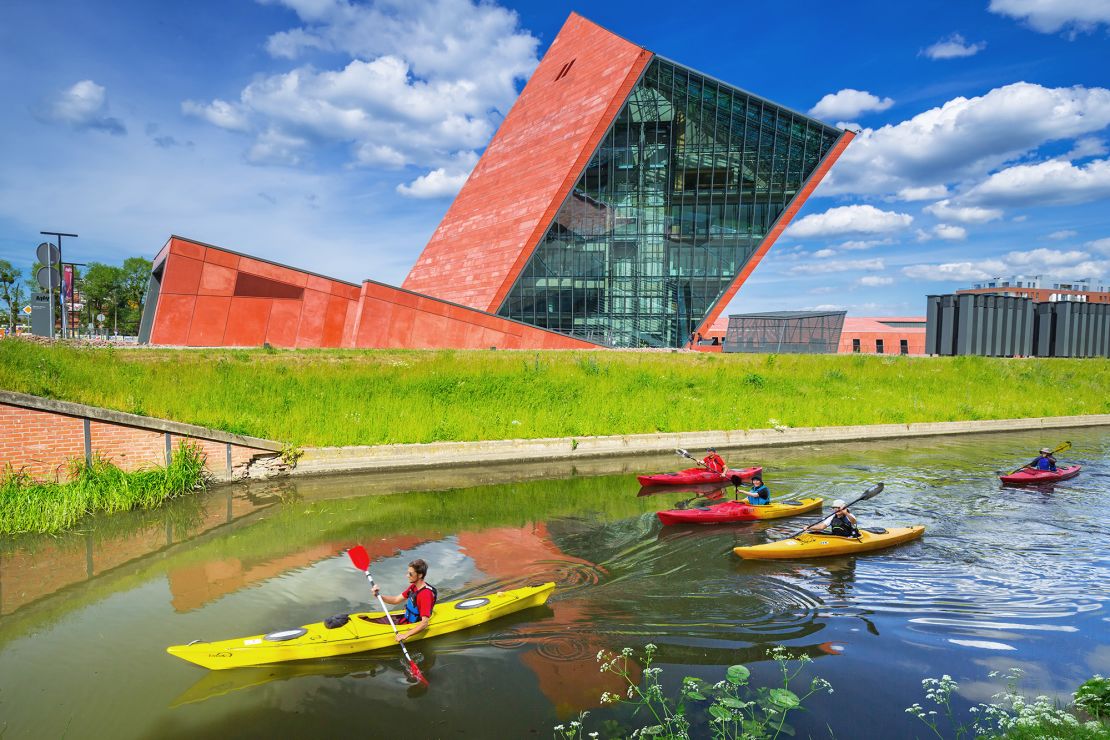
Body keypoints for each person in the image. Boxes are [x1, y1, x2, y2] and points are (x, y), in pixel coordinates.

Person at [371, 558, 438, 642]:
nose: (407, 575)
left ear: (420, 575)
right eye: (407, 573)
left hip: (413, 624)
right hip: (405, 619)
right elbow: (396, 600)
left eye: (410, 574)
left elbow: (424, 623)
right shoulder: (413, 587)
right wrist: (379, 596)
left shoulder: (425, 595)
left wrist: (405, 635)